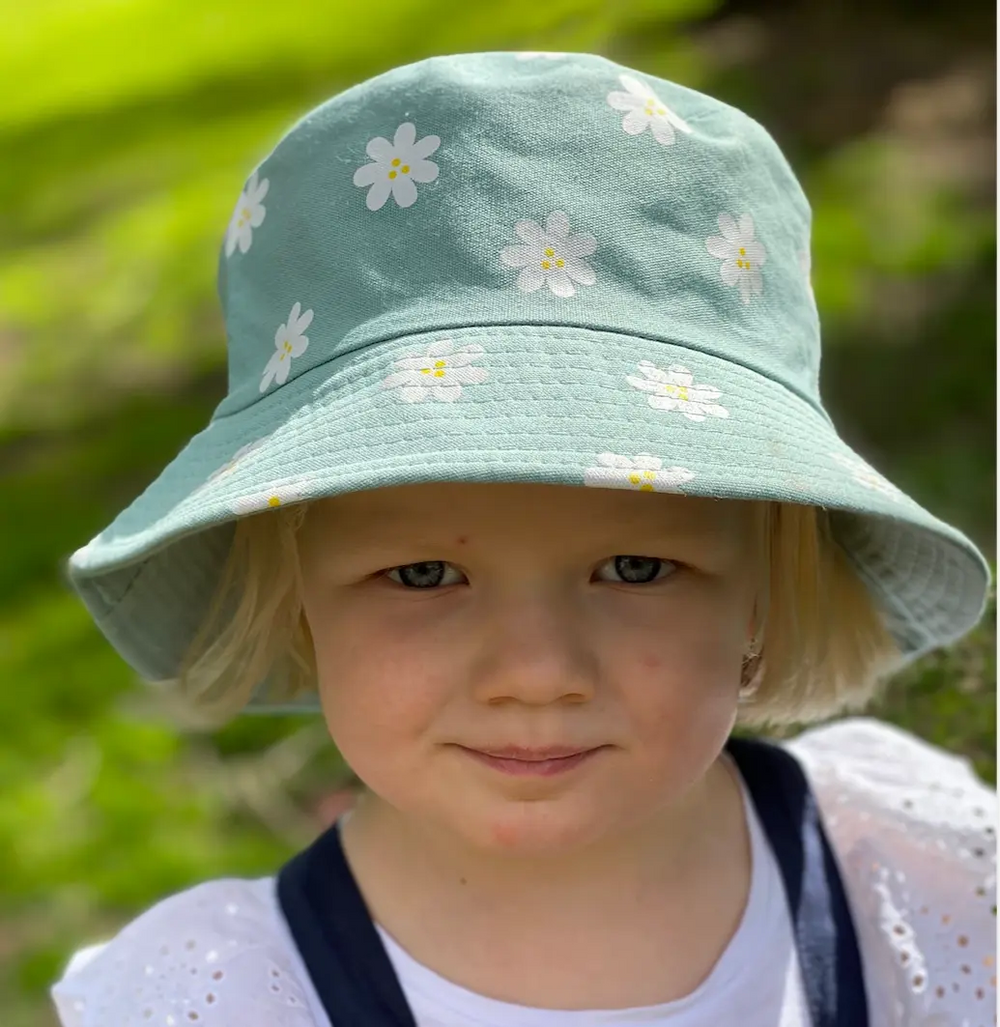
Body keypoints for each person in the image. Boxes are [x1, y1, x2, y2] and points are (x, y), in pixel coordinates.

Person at [50, 52, 996, 1027]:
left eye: (635, 567)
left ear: (765, 583)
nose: (536, 672)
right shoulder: (222, 997)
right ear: (291, 594)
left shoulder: (913, 886)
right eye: (422, 573)